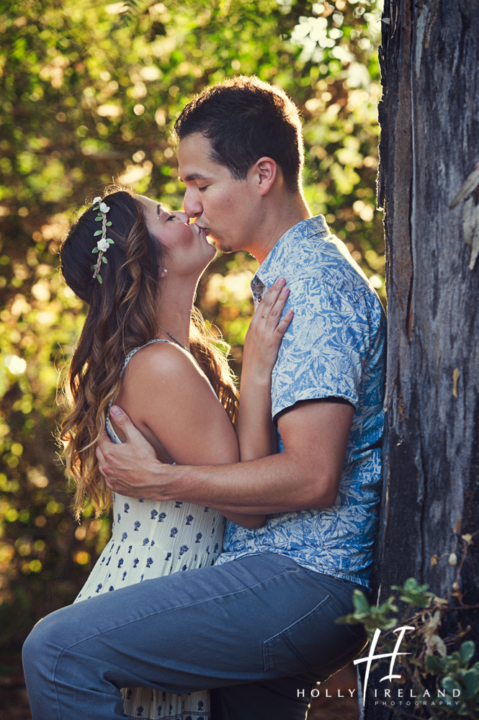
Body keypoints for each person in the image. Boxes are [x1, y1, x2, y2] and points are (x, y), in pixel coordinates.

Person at [23, 76, 386, 720]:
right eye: (181, 193)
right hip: (257, 565)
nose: (189, 206)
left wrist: (164, 479)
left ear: (263, 175)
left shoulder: (316, 288)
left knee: (56, 653)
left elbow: (312, 477)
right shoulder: (275, 289)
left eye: (199, 184)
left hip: (302, 572)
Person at [32, 187, 291, 720]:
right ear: (146, 263)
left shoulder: (172, 357)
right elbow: (250, 503)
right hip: (155, 582)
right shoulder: (158, 366)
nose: (190, 211)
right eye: (167, 215)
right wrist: (258, 370)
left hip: (159, 582)